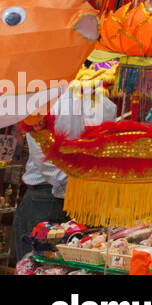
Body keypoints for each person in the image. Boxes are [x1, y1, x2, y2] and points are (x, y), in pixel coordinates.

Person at [11, 84, 116, 263]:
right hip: (78, 196)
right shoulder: (97, 97)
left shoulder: (43, 94)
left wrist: (72, 188)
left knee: (36, 266)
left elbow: (44, 157)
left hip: (50, 197)